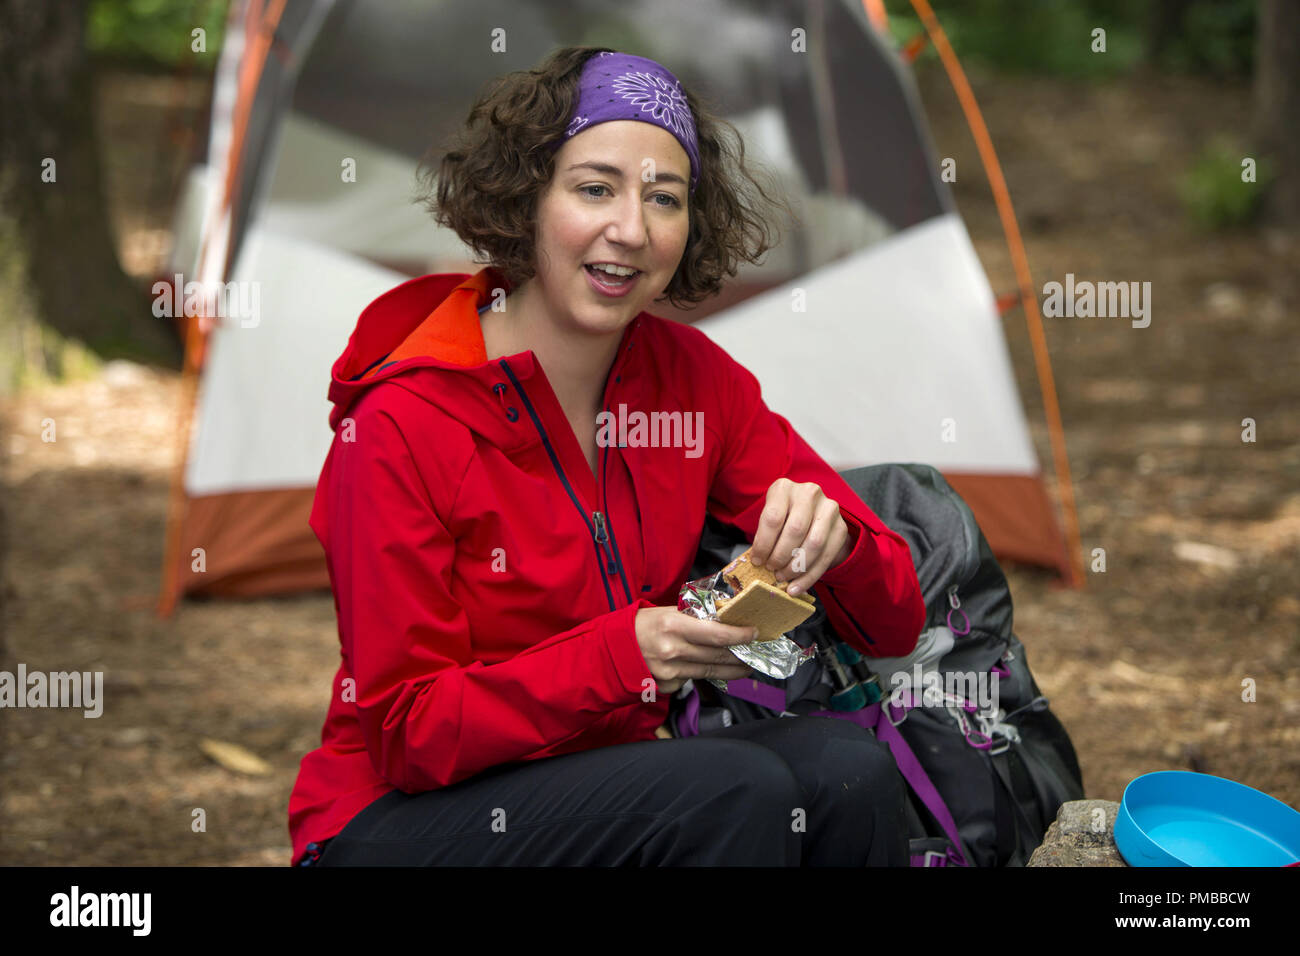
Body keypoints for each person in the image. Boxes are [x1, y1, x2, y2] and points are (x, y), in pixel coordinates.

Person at [287, 47, 926, 867]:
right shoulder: (402, 420)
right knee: (738, 789)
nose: (630, 229)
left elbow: (898, 617)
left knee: (849, 771)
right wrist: (622, 659)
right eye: (594, 189)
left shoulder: (694, 383)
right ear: (526, 199)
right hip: (396, 820)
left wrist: (836, 541)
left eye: (664, 198)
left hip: (614, 777)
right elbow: (409, 735)